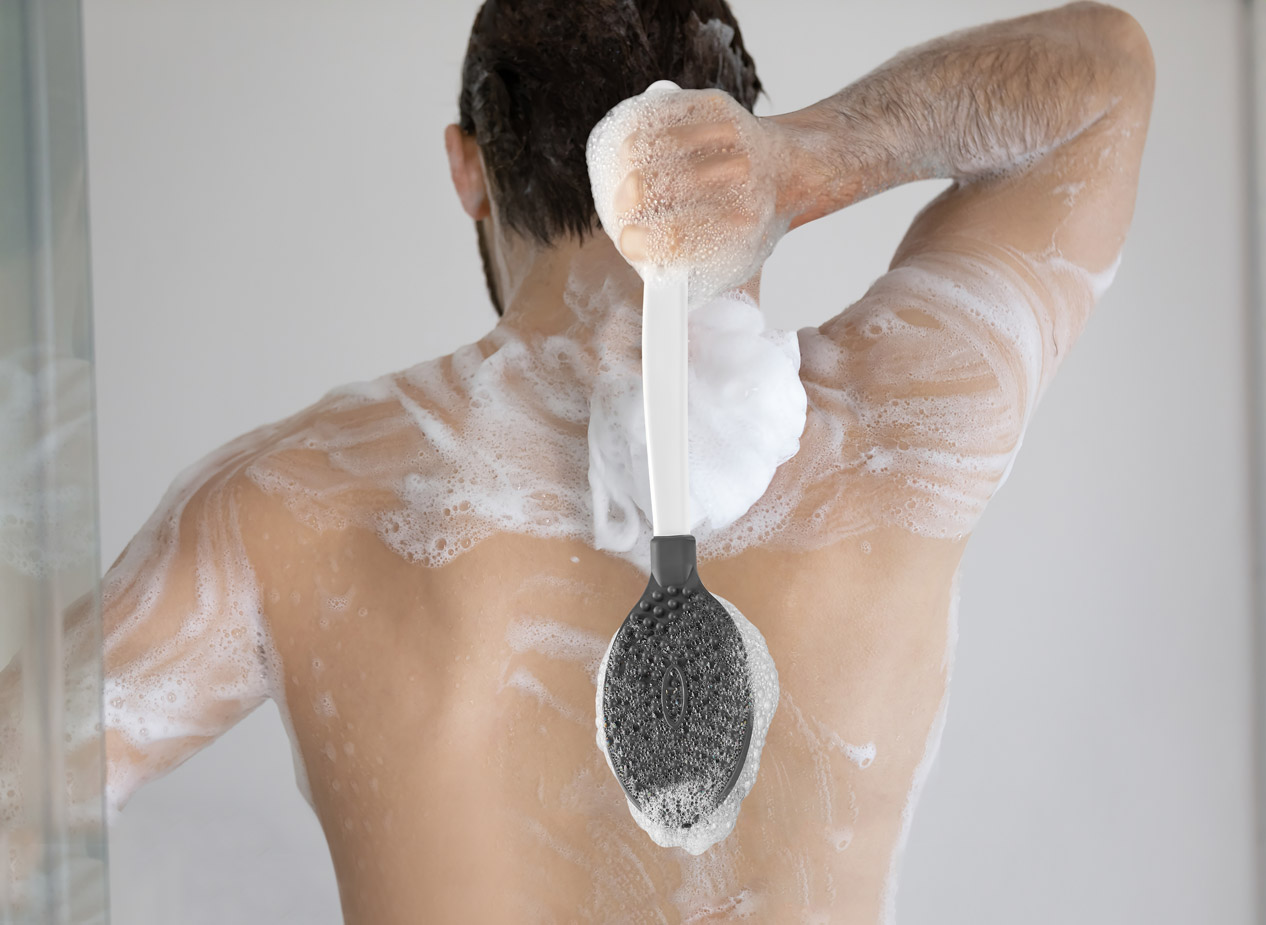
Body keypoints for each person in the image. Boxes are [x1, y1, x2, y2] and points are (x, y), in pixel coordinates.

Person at [5, 1, 1154, 921]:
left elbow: (15, 792)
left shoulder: (292, 505)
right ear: (736, 136)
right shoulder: (892, 429)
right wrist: (815, 158)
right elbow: (1106, 74)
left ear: (468, 167)